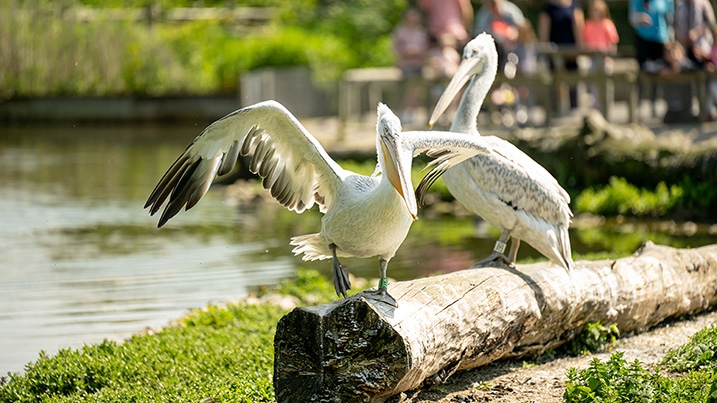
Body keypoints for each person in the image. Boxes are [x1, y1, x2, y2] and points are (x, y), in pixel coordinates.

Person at [539, 0, 585, 109]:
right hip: (555, 52)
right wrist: (544, 48)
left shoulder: (574, 5)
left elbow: (579, 28)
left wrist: (581, 49)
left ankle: (574, 109)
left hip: (571, 51)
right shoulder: (549, 7)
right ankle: (557, 109)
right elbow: (544, 29)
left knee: (573, 80)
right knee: (556, 80)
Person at [392, 8, 430, 123]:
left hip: (419, 65)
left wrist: (418, 51)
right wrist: (406, 51)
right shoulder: (400, 31)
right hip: (405, 65)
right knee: (408, 88)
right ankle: (404, 112)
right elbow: (395, 49)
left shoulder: (421, 32)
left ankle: (411, 113)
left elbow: (426, 49)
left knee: (417, 89)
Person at [582, 0, 620, 108]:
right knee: (594, 83)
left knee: (607, 83)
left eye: (598, 10)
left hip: (605, 58)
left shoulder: (607, 24)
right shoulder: (587, 25)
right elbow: (584, 42)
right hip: (592, 58)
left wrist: (611, 58)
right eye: (594, 10)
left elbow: (613, 42)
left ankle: (608, 104)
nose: (596, 13)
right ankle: (596, 105)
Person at [474, 0, 526, 69]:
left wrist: (514, 33)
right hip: (495, 47)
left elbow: (524, 30)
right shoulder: (483, 15)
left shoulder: (511, 11)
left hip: (514, 47)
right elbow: (478, 33)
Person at [629, 0, 674, 70]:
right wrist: (639, 18)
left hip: (661, 39)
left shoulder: (667, 1)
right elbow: (632, 18)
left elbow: (670, 20)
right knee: (645, 68)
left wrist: (670, 38)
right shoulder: (636, 1)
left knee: (662, 68)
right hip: (643, 38)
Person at [673, 0, 716, 65]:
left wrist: (696, 33)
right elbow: (674, 24)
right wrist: (681, 37)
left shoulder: (703, 3)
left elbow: (711, 23)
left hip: (700, 47)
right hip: (683, 47)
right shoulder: (678, 4)